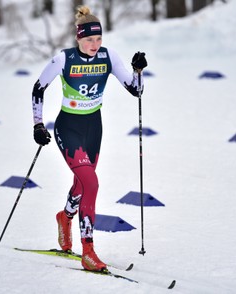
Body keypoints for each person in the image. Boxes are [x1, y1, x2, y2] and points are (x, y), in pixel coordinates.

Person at [31, 5, 147, 272]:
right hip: (68, 127)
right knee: (91, 183)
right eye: (89, 39)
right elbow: (38, 88)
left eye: (98, 39)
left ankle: (65, 217)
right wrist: (38, 125)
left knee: (82, 185)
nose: (94, 44)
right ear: (78, 38)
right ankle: (88, 251)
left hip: (93, 127)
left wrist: (138, 71)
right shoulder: (63, 59)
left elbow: (136, 91)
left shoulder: (109, 57)